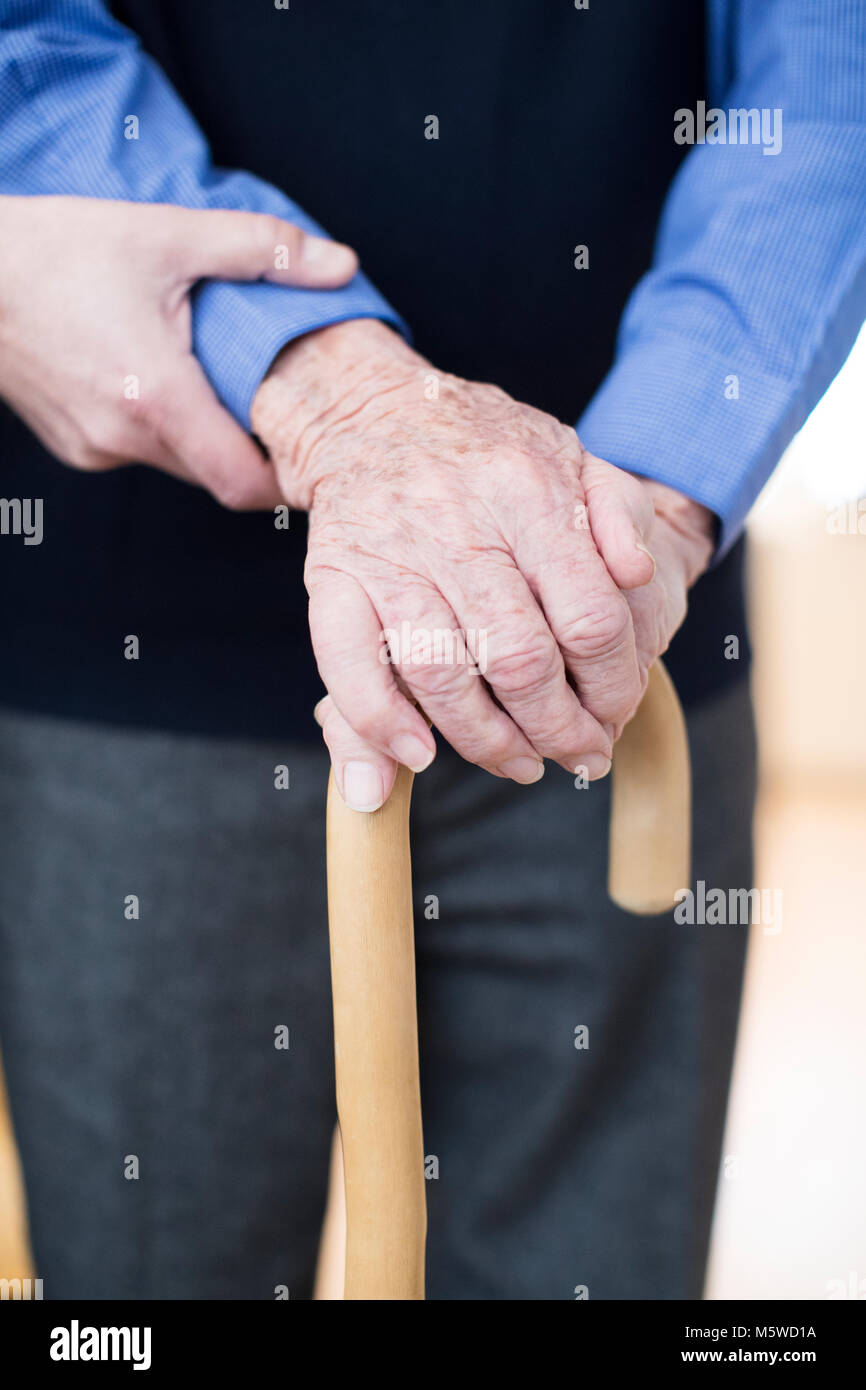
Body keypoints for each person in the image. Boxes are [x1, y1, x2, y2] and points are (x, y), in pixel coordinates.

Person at [0, 1, 863, 1299]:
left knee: (594, 1263)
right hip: (135, 653)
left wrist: (651, 498)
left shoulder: (620, 562)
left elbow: (823, 85)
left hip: (619, 637)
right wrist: (332, 392)